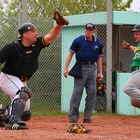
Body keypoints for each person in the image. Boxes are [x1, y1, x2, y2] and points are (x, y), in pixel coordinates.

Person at [0, 10, 69, 130]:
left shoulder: (36, 44)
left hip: (22, 81)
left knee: (26, 114)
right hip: (7, 77)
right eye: (32, 31)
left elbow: (50, 37)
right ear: (24, 35)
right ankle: (13, 122)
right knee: (23, 92)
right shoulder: (12, 47)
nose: (36, 33)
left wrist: (59, 25)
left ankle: (2, 115)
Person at [63, 23, 104, 123]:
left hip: (92, 68)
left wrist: (100, 72)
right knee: (77, 93)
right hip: (81, 67)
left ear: (93, 31)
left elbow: (99, 58)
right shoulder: (78, 41)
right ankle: (73, 117)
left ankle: (87, 117)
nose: (88, 31)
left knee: (92, 92)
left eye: (90, 30)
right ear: (85, 30)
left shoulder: (98, 43)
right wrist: (66, 68)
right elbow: (70, 54)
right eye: (87, 29)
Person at [122, 24, 140, 108]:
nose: (134, 36)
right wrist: (129, 46)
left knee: (128, 88)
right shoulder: (139, 45)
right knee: (134, 101)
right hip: (135, 72)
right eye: (134, 34)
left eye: (137, 33)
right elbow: (136, 50)